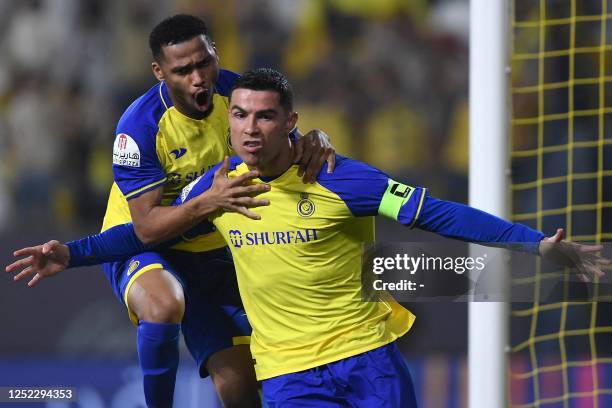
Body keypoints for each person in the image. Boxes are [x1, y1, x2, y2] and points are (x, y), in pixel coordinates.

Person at [8, 69, 609, 407]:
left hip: (367, 360)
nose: (248, 128)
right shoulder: (221, 190)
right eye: (239, 116)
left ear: (290, 122)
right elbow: (140, 235)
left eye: (264, 116)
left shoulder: (342, 178)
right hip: (290, 377)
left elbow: (441, 215)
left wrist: (534, 245)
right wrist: (72, 252)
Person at [12, 14, 335, 407]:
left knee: (240, 393)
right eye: (183, 70)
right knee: (164, 304)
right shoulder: (139, 127)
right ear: (159, 72)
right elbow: (147, 229)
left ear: (215, 52)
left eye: (204, 63)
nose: (198, 78)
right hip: (137, 240)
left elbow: (287, 153)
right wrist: (209, 202)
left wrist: (315, 139)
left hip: (213, 252)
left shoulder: (239, 95)